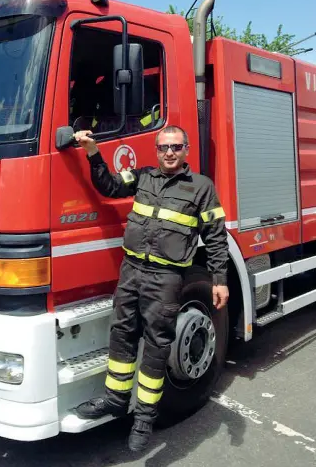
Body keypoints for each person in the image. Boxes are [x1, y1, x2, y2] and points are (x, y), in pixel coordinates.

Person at [75, 125, 229, 452]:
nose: (169, 153)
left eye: (175, 147)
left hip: (167, 276)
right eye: (163, 147)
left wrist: (219, 279)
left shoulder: (201, 187)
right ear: (156, 151)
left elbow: (216, 235)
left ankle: (144, 417)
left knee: (157, 344)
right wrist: (92, 151)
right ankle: (116, 400)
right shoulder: (143, 177)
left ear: (186, 149)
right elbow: (109, 185)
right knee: (122, 333)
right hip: (131, 270)